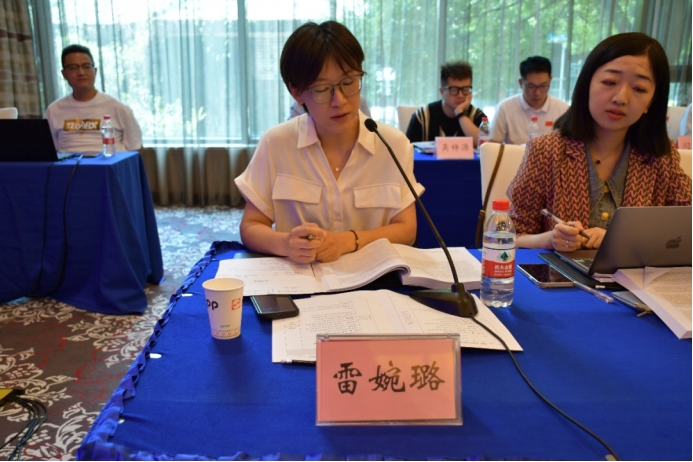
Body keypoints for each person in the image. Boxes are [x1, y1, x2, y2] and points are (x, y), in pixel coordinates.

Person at [235, 21, 423, 264]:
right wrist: (285, 244)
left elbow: (407, 229)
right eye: (322, 89)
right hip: (301, 278)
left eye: (349, 82)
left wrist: (348, 241)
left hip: (374, 280)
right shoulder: (276, 143)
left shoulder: (392, 143)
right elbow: (251, 225)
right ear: (297, 92)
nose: (340, 100)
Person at [507, 32, 692, 251]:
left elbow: (686, 228)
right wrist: (549, 239)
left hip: (632, 274)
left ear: (651, 101)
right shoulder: (547, 151)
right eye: (609, 82)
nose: (620, 98)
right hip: (559, 273)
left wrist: (621, 239)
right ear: (587, 84)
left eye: (639, 89)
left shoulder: (660, 156)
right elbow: (509, 236)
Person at [45, 44, 142, 153]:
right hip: (69, 164)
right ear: (64, 74)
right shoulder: (54, 110)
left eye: (86, 66)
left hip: (109, 163)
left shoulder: (118, 108)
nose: (81, 73)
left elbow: (136, 149)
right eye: (73, 68)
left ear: (95, 71)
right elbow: (48, 152)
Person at [490, 56, 569, 145]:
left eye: (543, 86)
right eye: (531, 86)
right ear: (521, 83)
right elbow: (493, 146)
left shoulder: (563, 110)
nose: (537, 92)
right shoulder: (505, 109)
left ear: (550, 80)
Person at [405, 61, 486, 147]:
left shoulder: (477, 116)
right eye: (454, 89)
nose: (460, 95)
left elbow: (485, 146)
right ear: (442, 91)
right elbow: (406, 151)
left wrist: (460, 113)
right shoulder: (423, 116)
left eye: (465, 89)